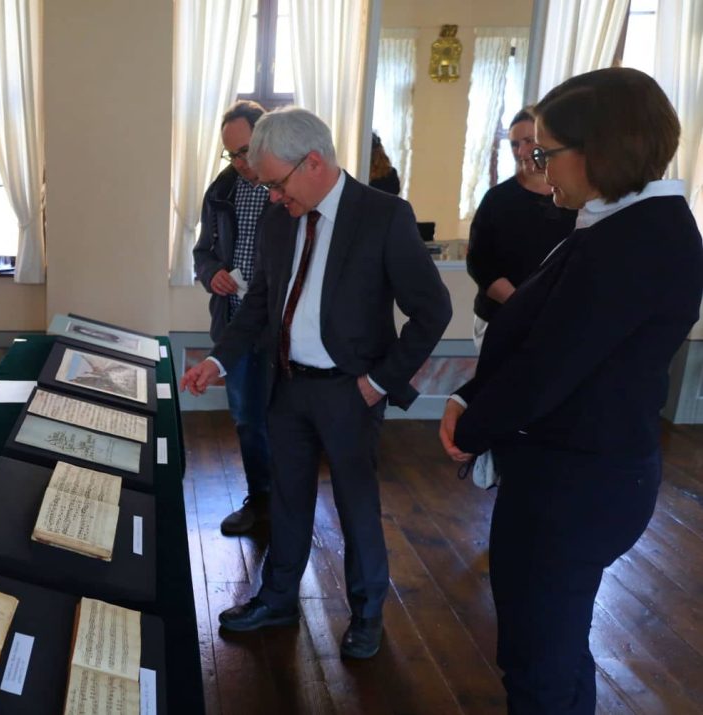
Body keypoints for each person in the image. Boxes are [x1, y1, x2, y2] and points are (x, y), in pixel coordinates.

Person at [439, 67, 703, 714]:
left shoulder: (637, 239)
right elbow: (543, 335)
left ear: (600, 150)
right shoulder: (620, 222)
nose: (537, 165)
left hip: (575, 486)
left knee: (537, 663)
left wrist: (468, 424)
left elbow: (550, 366)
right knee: (551, 650)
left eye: (546, 152)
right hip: (576, 472)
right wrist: (472, 396)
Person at [182, 107, 451, 658]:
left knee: (355, 505)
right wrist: (220, 360)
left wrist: (379, 382)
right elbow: (259, 302)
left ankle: (367, 612)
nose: (274, 198)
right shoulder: (281, 218)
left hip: (350, 391)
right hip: (287, 387)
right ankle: (278, 599)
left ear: (313, 162)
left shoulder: (383, 216)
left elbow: (432, 311)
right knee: (287, 500)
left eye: (278, 184)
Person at [193, 100, 274, 535]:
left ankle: (288, 503)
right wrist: (213, 274)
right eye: (232, 154)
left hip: (281, 329)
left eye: (245, 151)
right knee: (246, 418)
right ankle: (260, 501)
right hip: (234, 325)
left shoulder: (287, 188)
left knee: (284, 419)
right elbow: (202, 252)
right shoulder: (220, 191)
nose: (240, 163)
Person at [467, 108, 577, 349]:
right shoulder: (497, 199)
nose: (521, 152)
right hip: (500, 318)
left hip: (563, 321)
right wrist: (523, 305)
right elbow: (480, 263)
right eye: (515, 144)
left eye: (529, 141)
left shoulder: (578, 197)